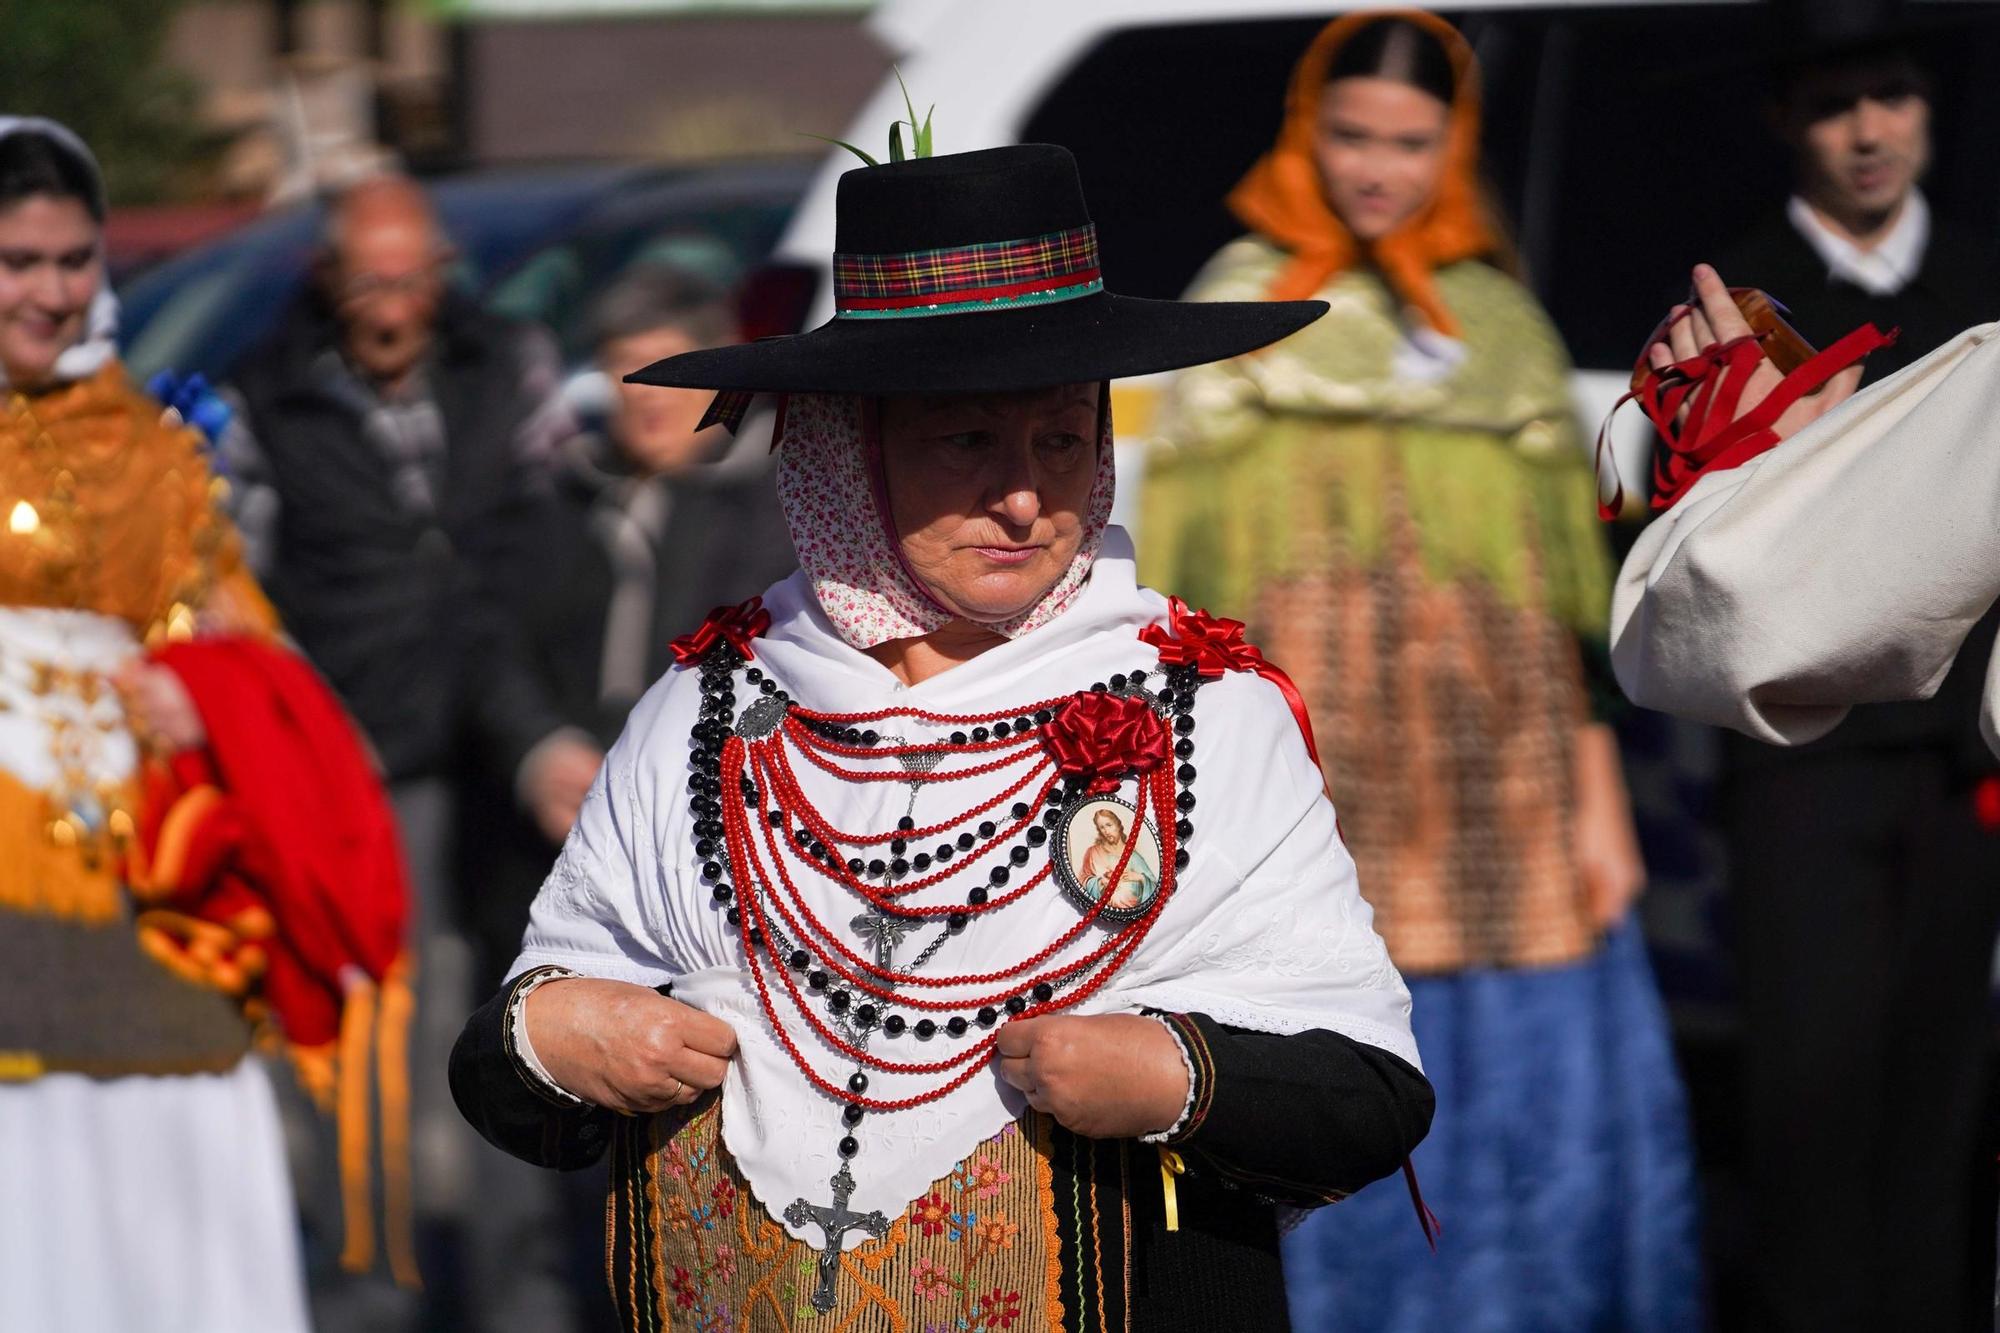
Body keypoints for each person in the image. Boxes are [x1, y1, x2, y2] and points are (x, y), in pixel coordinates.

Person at [449, 137, 1435, 1332]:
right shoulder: (708, 708)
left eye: (1061, 439)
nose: (1024, 497)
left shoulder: (1198, 709)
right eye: (966, 441)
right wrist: (555, 1033)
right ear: (847, 456)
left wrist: (1172, 1072)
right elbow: (514, 1068)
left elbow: (1367, 1092)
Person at [1138, 12, 1700, 1329]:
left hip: (1501, 787)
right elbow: (1193, 590)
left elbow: (1565, 610)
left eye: (1409, 139)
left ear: (1454, 146)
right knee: (1337, 1043)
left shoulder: (1501, 326)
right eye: (1350, 135)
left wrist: (1597, 802)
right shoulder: (1241, 308)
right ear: (1304, 133)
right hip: (1324, 779)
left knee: (1532, 1085)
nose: (1377, 167)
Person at [222, 173, 588, 1331]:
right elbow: (235, 597)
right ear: (329, 281)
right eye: (371, 282)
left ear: (442, 277)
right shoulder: (266, 404)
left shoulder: (508, 367)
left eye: (414, 279)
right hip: (358, 760)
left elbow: (561, 532)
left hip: (509, 738)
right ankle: (365, 1296)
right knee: (364, 1037)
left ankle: (527, 1297)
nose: (394, 308)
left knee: (521, 1019)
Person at [1616, 262, 2000, 1332]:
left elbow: (1734, 612)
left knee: (1919, 1124)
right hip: (1809, 789)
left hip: (1935, 780)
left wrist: (1766, 474)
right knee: (1821, 1125)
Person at [1691, 29, 2000, 1332]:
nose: (1869, 130)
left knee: (1948, 1103)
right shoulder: (1737, 296)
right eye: (1834, 105)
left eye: (1892, 95)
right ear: (1786, 120)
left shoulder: (1990, 283)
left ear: (1928, 107)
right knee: (1810, 1102)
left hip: (1967, 762)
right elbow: (1654, 539)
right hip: (1801, 760)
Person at [0, 116, 312, 1333]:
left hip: (154, 887)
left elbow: (254, 650)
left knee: (171, 1198)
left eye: (74, 259)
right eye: (17, 261)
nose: (51, 289)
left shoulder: (158, 455)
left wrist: (212, 687)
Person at [1081, 807, 1156, 911]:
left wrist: (1140, 877)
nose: (1106, 831)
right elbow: (1083, 880)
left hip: (1130, 908)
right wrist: (1100, 883)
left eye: (1109, 825)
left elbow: (1154, 886)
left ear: (1118, 825)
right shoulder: (1093, 852)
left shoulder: (1133, 856)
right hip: (1103, 907)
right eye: (1102, 827)